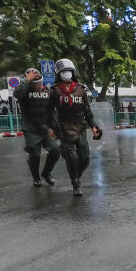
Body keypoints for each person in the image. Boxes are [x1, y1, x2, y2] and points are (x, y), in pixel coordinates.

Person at [48, 59, 102, 196]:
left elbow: (87, 110)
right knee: (71, 156)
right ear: (59, 74)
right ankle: (75, 183)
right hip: (64, 127)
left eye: (69, 71)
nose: (67, 74)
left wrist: (93, 126)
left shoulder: (80, 89)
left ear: (73, 73)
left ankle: (76, 174)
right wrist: (52, 128)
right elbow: (48, 111)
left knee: (85, 158)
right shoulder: (54, 91)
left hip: (80, 126)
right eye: (63, 72)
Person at [14, 68, 60, 186]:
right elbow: (17, 94)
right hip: (31, 128)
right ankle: (36, 177)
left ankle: (46, 173)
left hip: (45, 128)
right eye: (34, 83)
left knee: (55, 150)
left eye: (39, 82)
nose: (38, 85)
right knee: (35, 155)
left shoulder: (47, 91)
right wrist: (26, 80)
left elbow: (51, 111)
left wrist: (53, 127)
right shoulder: (24, 92)